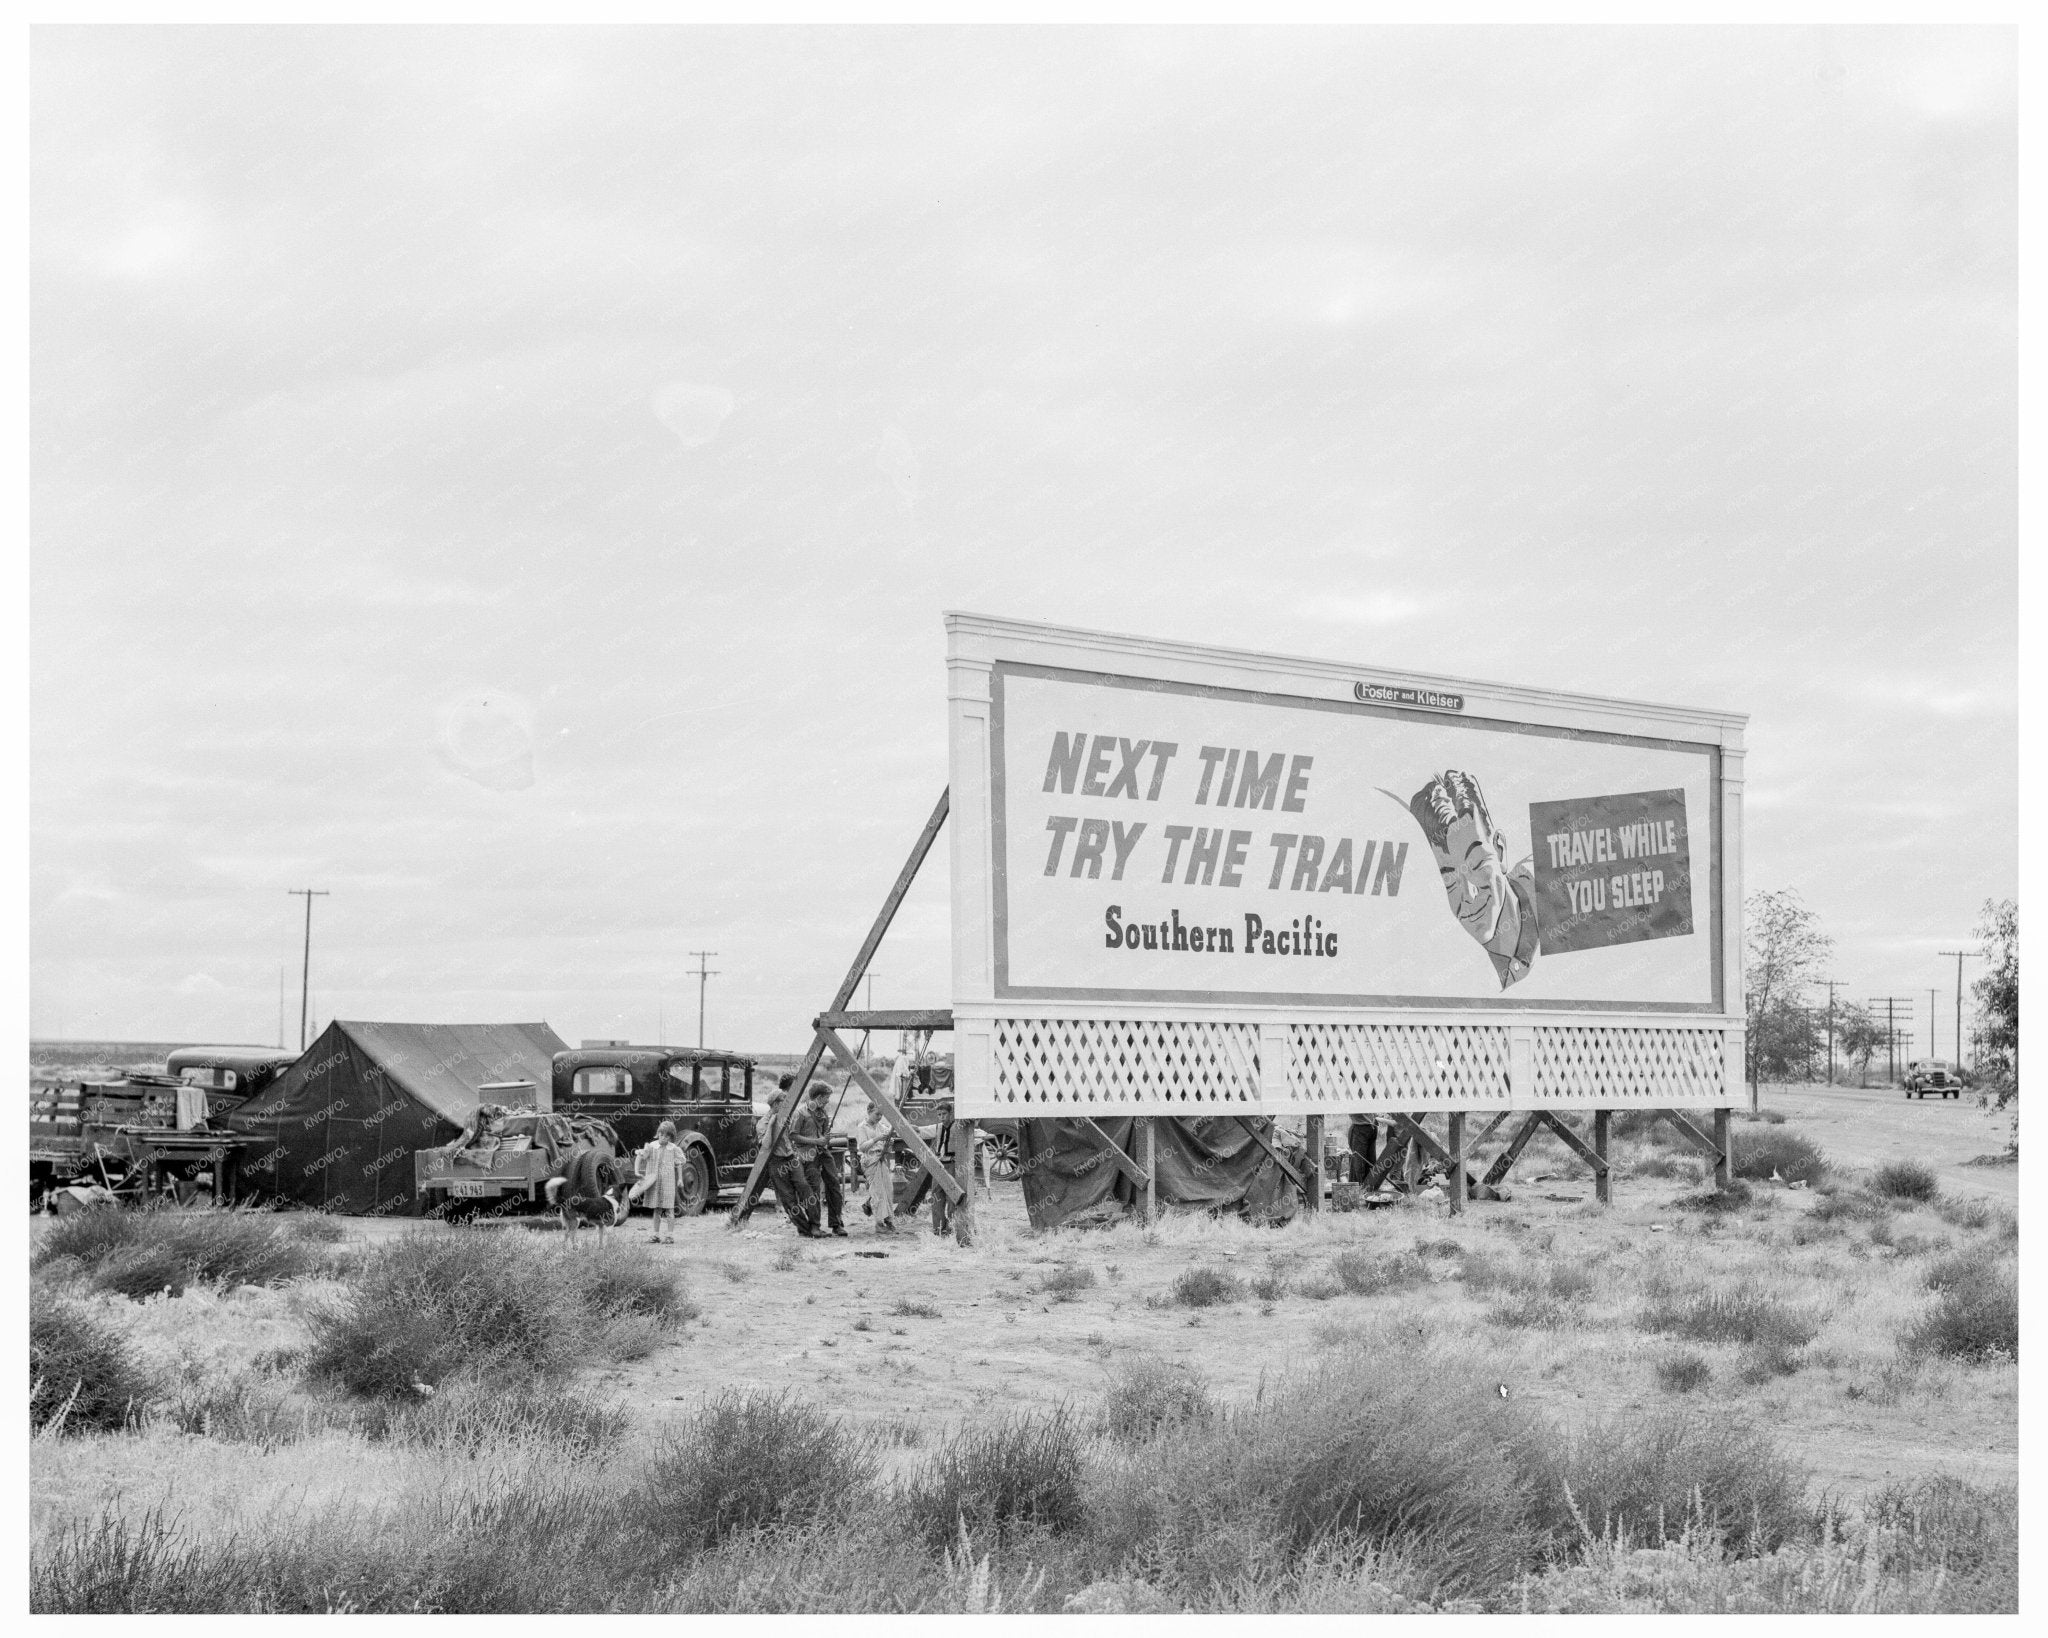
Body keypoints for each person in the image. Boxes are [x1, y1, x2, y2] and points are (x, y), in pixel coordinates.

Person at [764, 1077, 819, 1237]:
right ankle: (805, 1230)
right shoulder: (764, 1122)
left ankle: (815, 1226)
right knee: (788, 1200)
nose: (787, 1104)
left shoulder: (788, 1118)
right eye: (783, 1101)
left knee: (806, 1190)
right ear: (775, 1104)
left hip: (791, 1159)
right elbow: (766, 1145)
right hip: (776, 1162)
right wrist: (772, 1123)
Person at [792, 1082, 847, 1237]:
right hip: (807, 1155)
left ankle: (837, 1224)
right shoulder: (801, 1113)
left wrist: (825, 1138)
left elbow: (823, 1136)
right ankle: (814, 1226)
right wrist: (816, 1141)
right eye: (827, 1097)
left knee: (834, 1186)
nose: (828, 1101)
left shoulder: (822, 1114)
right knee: (813, 1189)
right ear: (819, 1097)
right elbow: (793, 1136)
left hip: (823, 1153)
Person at [628, 1120, 686, 1243]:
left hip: (668, 1184)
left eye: (667, 1136)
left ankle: (670, 1236)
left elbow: (679, 1163)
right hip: (654, 1183)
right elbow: (640, 1156)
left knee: (670, 1209)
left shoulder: (673, 1149)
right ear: (658, 1133)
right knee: (657, 1209)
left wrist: (680, 1178)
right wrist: (637, 1171)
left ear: (671, 1137)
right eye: (661, 1134)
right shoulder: (651, 1147)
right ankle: (655, 1235)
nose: (663, 1138)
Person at [855, 1098, 897, 1234]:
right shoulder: (862, 1127)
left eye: (881, 1115)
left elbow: (888, 1144)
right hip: (869, 1160)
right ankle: (879, 1223)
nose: (879, 1117)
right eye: (876, 1114)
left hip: (881, 1159)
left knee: (888, 1190)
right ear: (869, 1111)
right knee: (878, 1192)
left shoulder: (882, 1126)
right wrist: (878, 1139)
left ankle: (889, 1220)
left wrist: (890, 1141)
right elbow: (862, 1147)